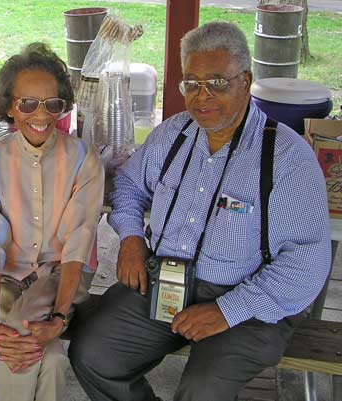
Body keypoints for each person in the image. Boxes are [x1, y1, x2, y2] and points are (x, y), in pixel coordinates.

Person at [68, 22, 331, 401]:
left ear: (245, 80)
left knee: (202, 391)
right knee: (93, 354)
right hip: (167, 281)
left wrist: (227, 309)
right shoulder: (173, 134)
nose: (201, 96)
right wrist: (130, 237)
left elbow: (307, 264)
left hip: (251, 300)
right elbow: (128, 184)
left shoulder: (287, 158)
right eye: (191, 83)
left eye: (216, 83)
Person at [0, 42, 104, 401]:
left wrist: (58, 317)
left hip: (62, 275)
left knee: (19, 332)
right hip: (9, 276)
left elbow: (77, 244)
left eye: (52, 104)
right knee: (53, 358)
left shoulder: (84, 159)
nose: (40, 114)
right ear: (10, 106)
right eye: (27, 103)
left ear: (64, 107)